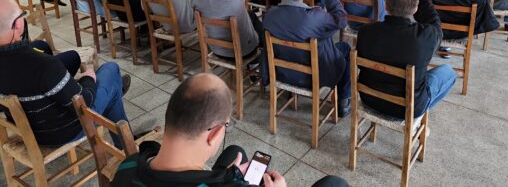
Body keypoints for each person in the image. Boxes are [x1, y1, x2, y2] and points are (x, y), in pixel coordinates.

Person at [112, 73, 347, 187]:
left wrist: (225, 176)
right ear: (214, 134)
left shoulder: (127, 166)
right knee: (334, 184)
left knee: (235, 151)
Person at [0, 0, 131, 148]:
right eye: (22, 15)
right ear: (18, 25)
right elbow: (84, 103)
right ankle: (128, 147)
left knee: (109, 89)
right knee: (111, 70)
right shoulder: (43, 65)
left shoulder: (36, 64)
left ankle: (127, 144)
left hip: (29, 131)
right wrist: (88, 78)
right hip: (62, 132)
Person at [356, 0, 455, 119]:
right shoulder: (425, 36)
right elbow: (436, 27)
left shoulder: (365, 31)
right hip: (408, 108)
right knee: (448, 72)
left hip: (370, 98)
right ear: (415, 9)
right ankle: (420, 114)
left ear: (385, 5)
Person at [263, 0, 351, 117]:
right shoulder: (315, 17)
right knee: (345, 48)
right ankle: (343, 101)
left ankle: (290, 92)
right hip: (313, 78)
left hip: (282, 74)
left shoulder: (270, 15)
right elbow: (342, 20)